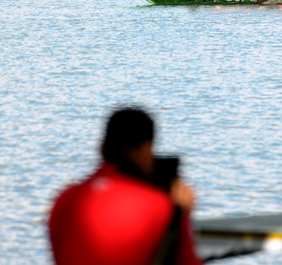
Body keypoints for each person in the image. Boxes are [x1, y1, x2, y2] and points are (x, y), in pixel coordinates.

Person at [49, 108, 201, 265]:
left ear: (101, 148)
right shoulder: (158, 206)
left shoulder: (65, 200)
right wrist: (181, 216)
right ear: (146, 150)